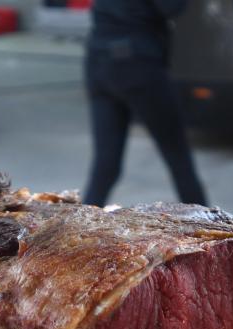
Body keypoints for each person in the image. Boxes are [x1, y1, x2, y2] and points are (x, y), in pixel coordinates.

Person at [83, 0, 207, 207]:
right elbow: (173, 7)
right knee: (178, 157)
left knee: (106, 165)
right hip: (137, 63)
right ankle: (215, 229)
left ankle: (77, 231)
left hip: (98, 60)